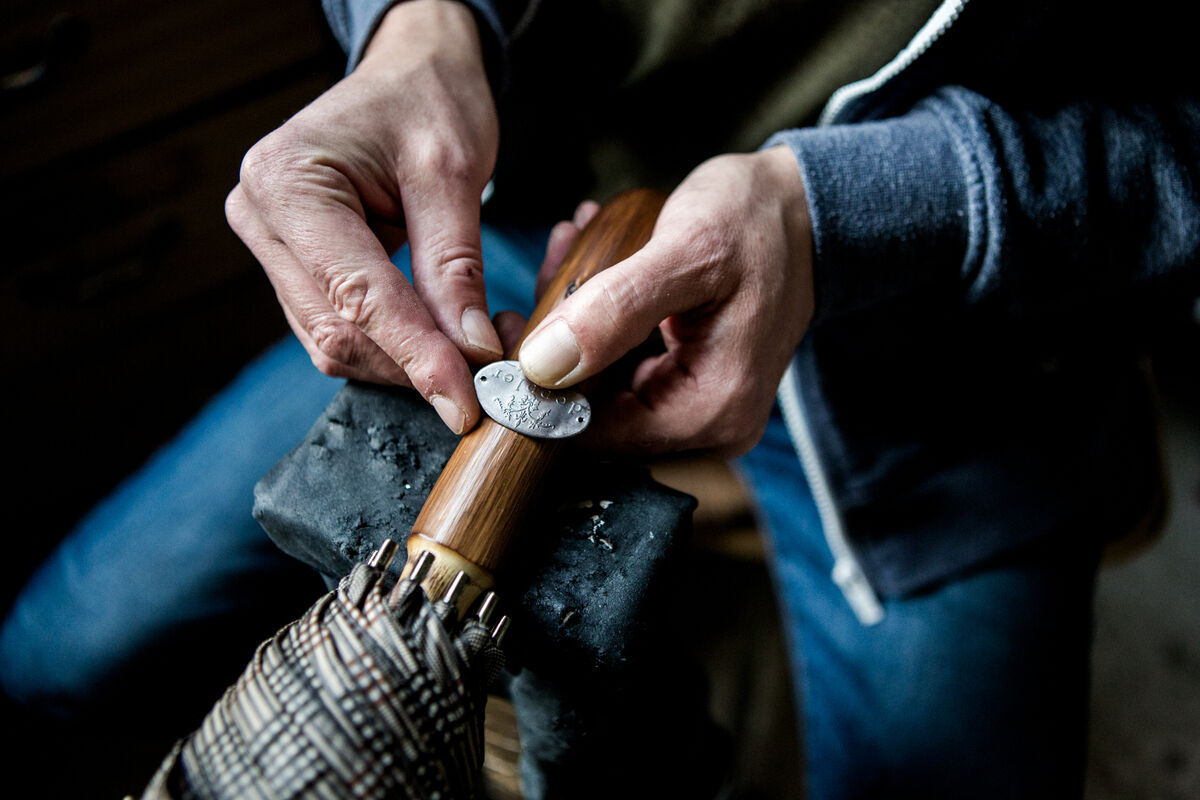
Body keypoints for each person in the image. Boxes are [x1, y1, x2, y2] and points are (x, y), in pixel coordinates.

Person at [3, 0, 1197, 797]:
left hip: (947, 363)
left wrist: (844, 215)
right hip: (529, 247)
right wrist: (418, 26)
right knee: (54, 657)